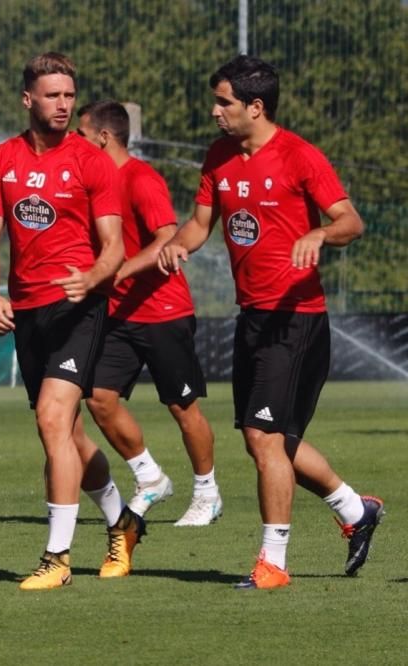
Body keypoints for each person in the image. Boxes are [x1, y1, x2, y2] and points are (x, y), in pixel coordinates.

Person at [158, 55, 384, 589]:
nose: (215, 111)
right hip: (253, 319)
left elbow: (351, 220)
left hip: (296, 322)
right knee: (270, 441)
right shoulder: (218, 156)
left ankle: (273, 564)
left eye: (224, 102)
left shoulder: (300, 156)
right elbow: (199, 225)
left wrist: (319, 235)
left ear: (255, 107)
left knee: (264, 436)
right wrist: (175, 247)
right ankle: (355, 510)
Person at [0, 52, 145, 590]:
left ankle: (57, 559)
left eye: (70, 95)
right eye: (52, 95)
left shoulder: (92, 161)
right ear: (29, 100)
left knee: (52, 419)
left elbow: (114, 246)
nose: (64, 104)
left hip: (80, 309)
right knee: (67, 434)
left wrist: (92, 277)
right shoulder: (2, 158)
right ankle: (121, 521)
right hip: (27, 313)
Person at [75, 101, 222, 527]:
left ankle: (207, 494)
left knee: (182, 407)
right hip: (118, 315)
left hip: (163, 311)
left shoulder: (141, 178)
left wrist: (119, 271)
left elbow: (166, 239)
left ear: (103, 137)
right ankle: (150, 477)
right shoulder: (93, 182)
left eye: (81, 135)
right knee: (99, 399)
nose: (73, 143)